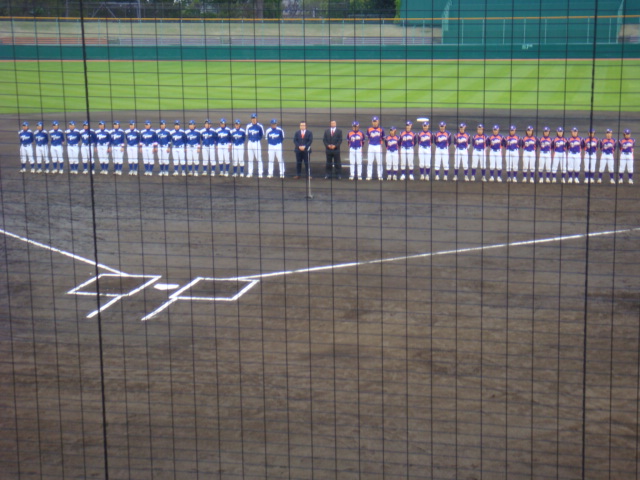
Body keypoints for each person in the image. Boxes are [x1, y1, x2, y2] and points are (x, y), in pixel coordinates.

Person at [246, 113, 264, 178]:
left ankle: (260, 173)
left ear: (257, 119)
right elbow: (247, 134)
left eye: (255, 118)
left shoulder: (260, 126)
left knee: (259, 158)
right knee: (250, 158)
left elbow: (261, 135)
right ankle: (250, 172)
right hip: (250, 143)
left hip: (257, 143)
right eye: (253, 118)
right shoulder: (248, 126)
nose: (254, 120)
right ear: (251, 119)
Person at [366, 116, 384, 180]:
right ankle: (369, 175)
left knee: (379, 161)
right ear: (372, 122)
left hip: (378, 146)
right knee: (370, 161)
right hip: (371, 146)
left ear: (378, 122)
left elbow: (383, 137)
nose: (375, 123)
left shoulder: (381, 129)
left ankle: (380, 175)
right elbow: (368, 137)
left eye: (376, 121)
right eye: (374, 122)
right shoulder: (369, 129)